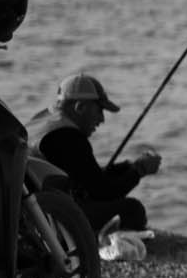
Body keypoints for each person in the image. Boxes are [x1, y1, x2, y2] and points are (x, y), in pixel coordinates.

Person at [26, 73, 162, 235]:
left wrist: (129, 167)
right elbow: (102, 192)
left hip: (32, 206)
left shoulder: (43, 121)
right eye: (99, 110)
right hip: (49, 216)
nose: (102, 119)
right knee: (132, 209)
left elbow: (90, 178)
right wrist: (140, 171)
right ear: (80, 107)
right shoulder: (68, 137)